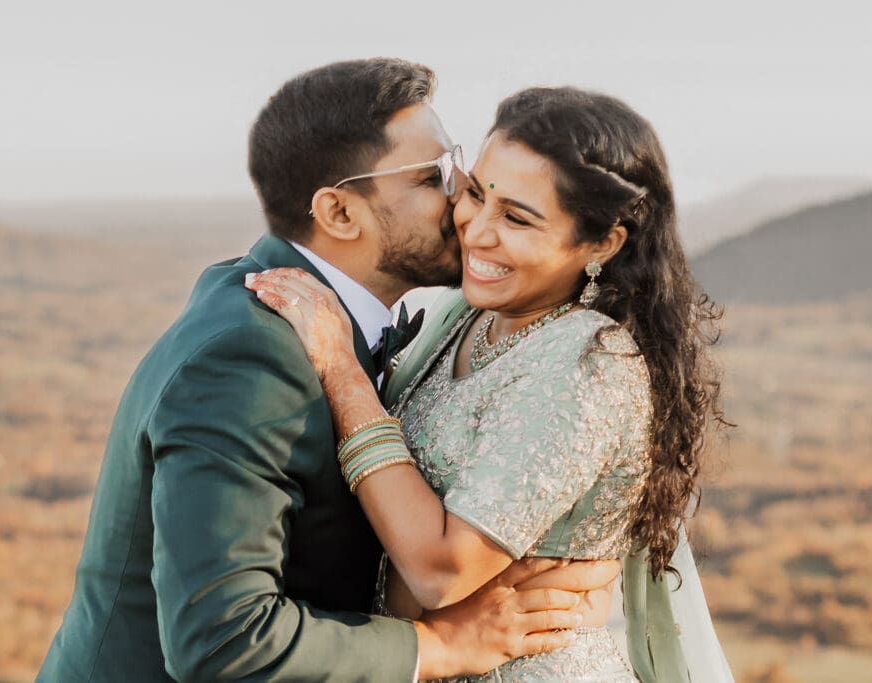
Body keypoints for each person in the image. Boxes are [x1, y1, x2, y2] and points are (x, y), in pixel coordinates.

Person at [38, 60, 616, 683]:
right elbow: (223, 641)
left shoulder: (321, 321)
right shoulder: (252, 356)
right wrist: (443, 646)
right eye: (431, 178)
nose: (464, 202)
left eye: (455, 166)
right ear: (340, 214)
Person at [248, 86, 734, 681]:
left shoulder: (587, 364)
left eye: (517, 218)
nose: (476, 230)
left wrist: (343, 374)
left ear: (601, 244)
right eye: (475, 193)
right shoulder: (471, 318)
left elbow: (442, 571)